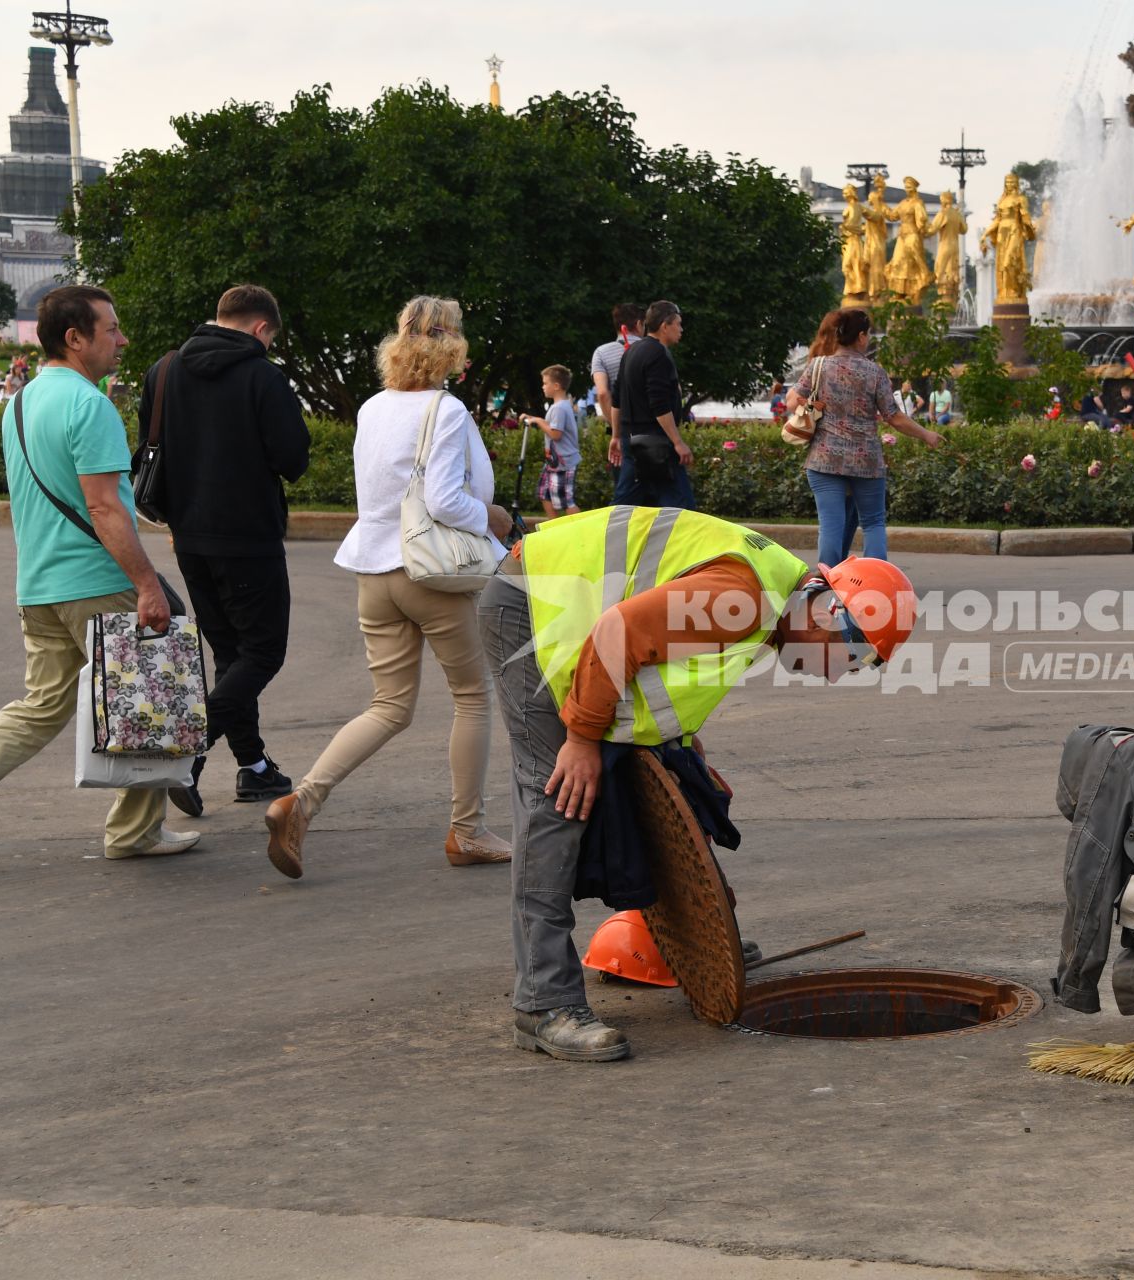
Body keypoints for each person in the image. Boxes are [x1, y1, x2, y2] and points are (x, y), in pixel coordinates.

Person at [479, 512, 920, 1061]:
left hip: (573, 612)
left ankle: (663, 945)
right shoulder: (745, 598)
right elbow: (619, 633)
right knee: (557, 798)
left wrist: (683, 745)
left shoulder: (774, 604)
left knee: (669, 775)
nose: (835, 675)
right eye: (850, 658)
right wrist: (583, 739)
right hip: (530, 602)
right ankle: (544, 1005)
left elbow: (669, 664)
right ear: (829, 610)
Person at [0, 285, 198, 872]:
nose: (122, 340)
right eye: (111, 329)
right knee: (146, 691)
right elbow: (104, 508)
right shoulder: (89, 404)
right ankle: (133, 831)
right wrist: (148, 584)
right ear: (75, 338)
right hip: (97, 580)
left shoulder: (20, 401)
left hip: (39, 584)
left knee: (40, 704)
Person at [261, 296, 513, 880]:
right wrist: (492, 518)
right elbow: (446, 501)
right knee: (473, 698)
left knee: (388, 705)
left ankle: (301, 802)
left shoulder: (374, 408)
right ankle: (467, 831)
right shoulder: (445, 411)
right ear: (450, 345)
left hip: (373, 571)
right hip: (431, 573)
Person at [141, 283, 311, 817]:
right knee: (262, 653)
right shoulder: (263, 376)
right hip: (249, 539)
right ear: (262, 328)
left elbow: (149, 445)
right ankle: (187, 753)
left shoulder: (164, 370)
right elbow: (293, 458)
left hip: (189, 537)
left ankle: (254, 767)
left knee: (231, 656)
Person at [784, 308, 944, 566]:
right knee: (873, 523)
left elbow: (791, 402)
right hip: (865, 462)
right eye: (867, 334)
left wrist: (820, 404)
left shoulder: (819, 366)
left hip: (824, 459)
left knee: (830, 526)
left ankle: (828, 582)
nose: (868, 339)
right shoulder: (875, 372)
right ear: (860, 336)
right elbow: (893, 416)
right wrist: (926, 435)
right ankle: (875, 583)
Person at [612, 300, 696, 510]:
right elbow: (659, 404)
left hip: (631, 439)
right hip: (654, 444)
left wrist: (616, 436)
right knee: (680, 506)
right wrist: (677, 442)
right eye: (678, 323)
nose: (681, 329)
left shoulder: (631, 351)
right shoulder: (658, 354)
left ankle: (601, 540)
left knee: (626, 505)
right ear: (664, 326)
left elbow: (617, 398)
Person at [592, 303, 644, 495]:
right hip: (650, 429)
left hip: (622, 428)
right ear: (639, 324)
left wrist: (615, 427)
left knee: (624, 488)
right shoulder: (652, 350)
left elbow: (603, 393)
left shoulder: (601, 353)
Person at [524, 364, 581, 518]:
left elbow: (556, 434)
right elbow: (552, 427)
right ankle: (554, 529)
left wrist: (538, 422)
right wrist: (535, 419)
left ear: (556, 386)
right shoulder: (559, 406)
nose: (543, 387)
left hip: (563, 462)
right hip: (554, 462)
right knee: (545, 493)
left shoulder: (559, 408)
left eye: (545, 383)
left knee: (565, 500)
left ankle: (582, 531)